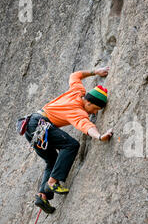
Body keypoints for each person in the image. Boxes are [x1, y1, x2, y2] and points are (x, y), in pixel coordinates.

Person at [25, 66, 113, 214]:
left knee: (52, 161)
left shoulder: (78, 91)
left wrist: (95, 71)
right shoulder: (77, 111)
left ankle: (43, 195)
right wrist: (99, 136)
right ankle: (52, 182)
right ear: (89, 103)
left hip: (30, 127)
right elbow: (86, 125)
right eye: (95, 109)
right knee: (71, 145)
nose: (94, 112)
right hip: (41, 124)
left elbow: (75, 75)